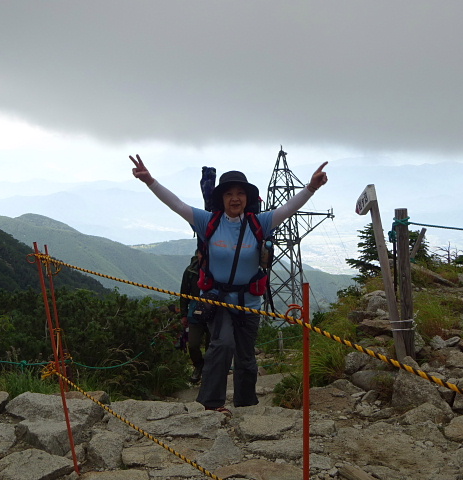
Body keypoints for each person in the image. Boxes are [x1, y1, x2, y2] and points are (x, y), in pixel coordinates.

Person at [130, 154, 328, 415]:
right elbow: (176, 204)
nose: (235, 198)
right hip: (215, 297)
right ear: (220, 199)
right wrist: (150, 181)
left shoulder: (260, 223)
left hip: (249, 301)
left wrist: (311, 187)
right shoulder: (207, 222)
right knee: (222, 344)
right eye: (229, 194)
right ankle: (212, 404)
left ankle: (246, 406)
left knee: (246, 357)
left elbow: (289, 208)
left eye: (240, 193)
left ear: (247, 198)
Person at [179, 250, 211, 384]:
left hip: (212, 313)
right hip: (194, 313)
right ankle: (199, 366)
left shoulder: (217, 269)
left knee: (212, 345)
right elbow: (184, 293)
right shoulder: (191, 271)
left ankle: (208, 373)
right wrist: (183, 314)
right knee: (193, 344)